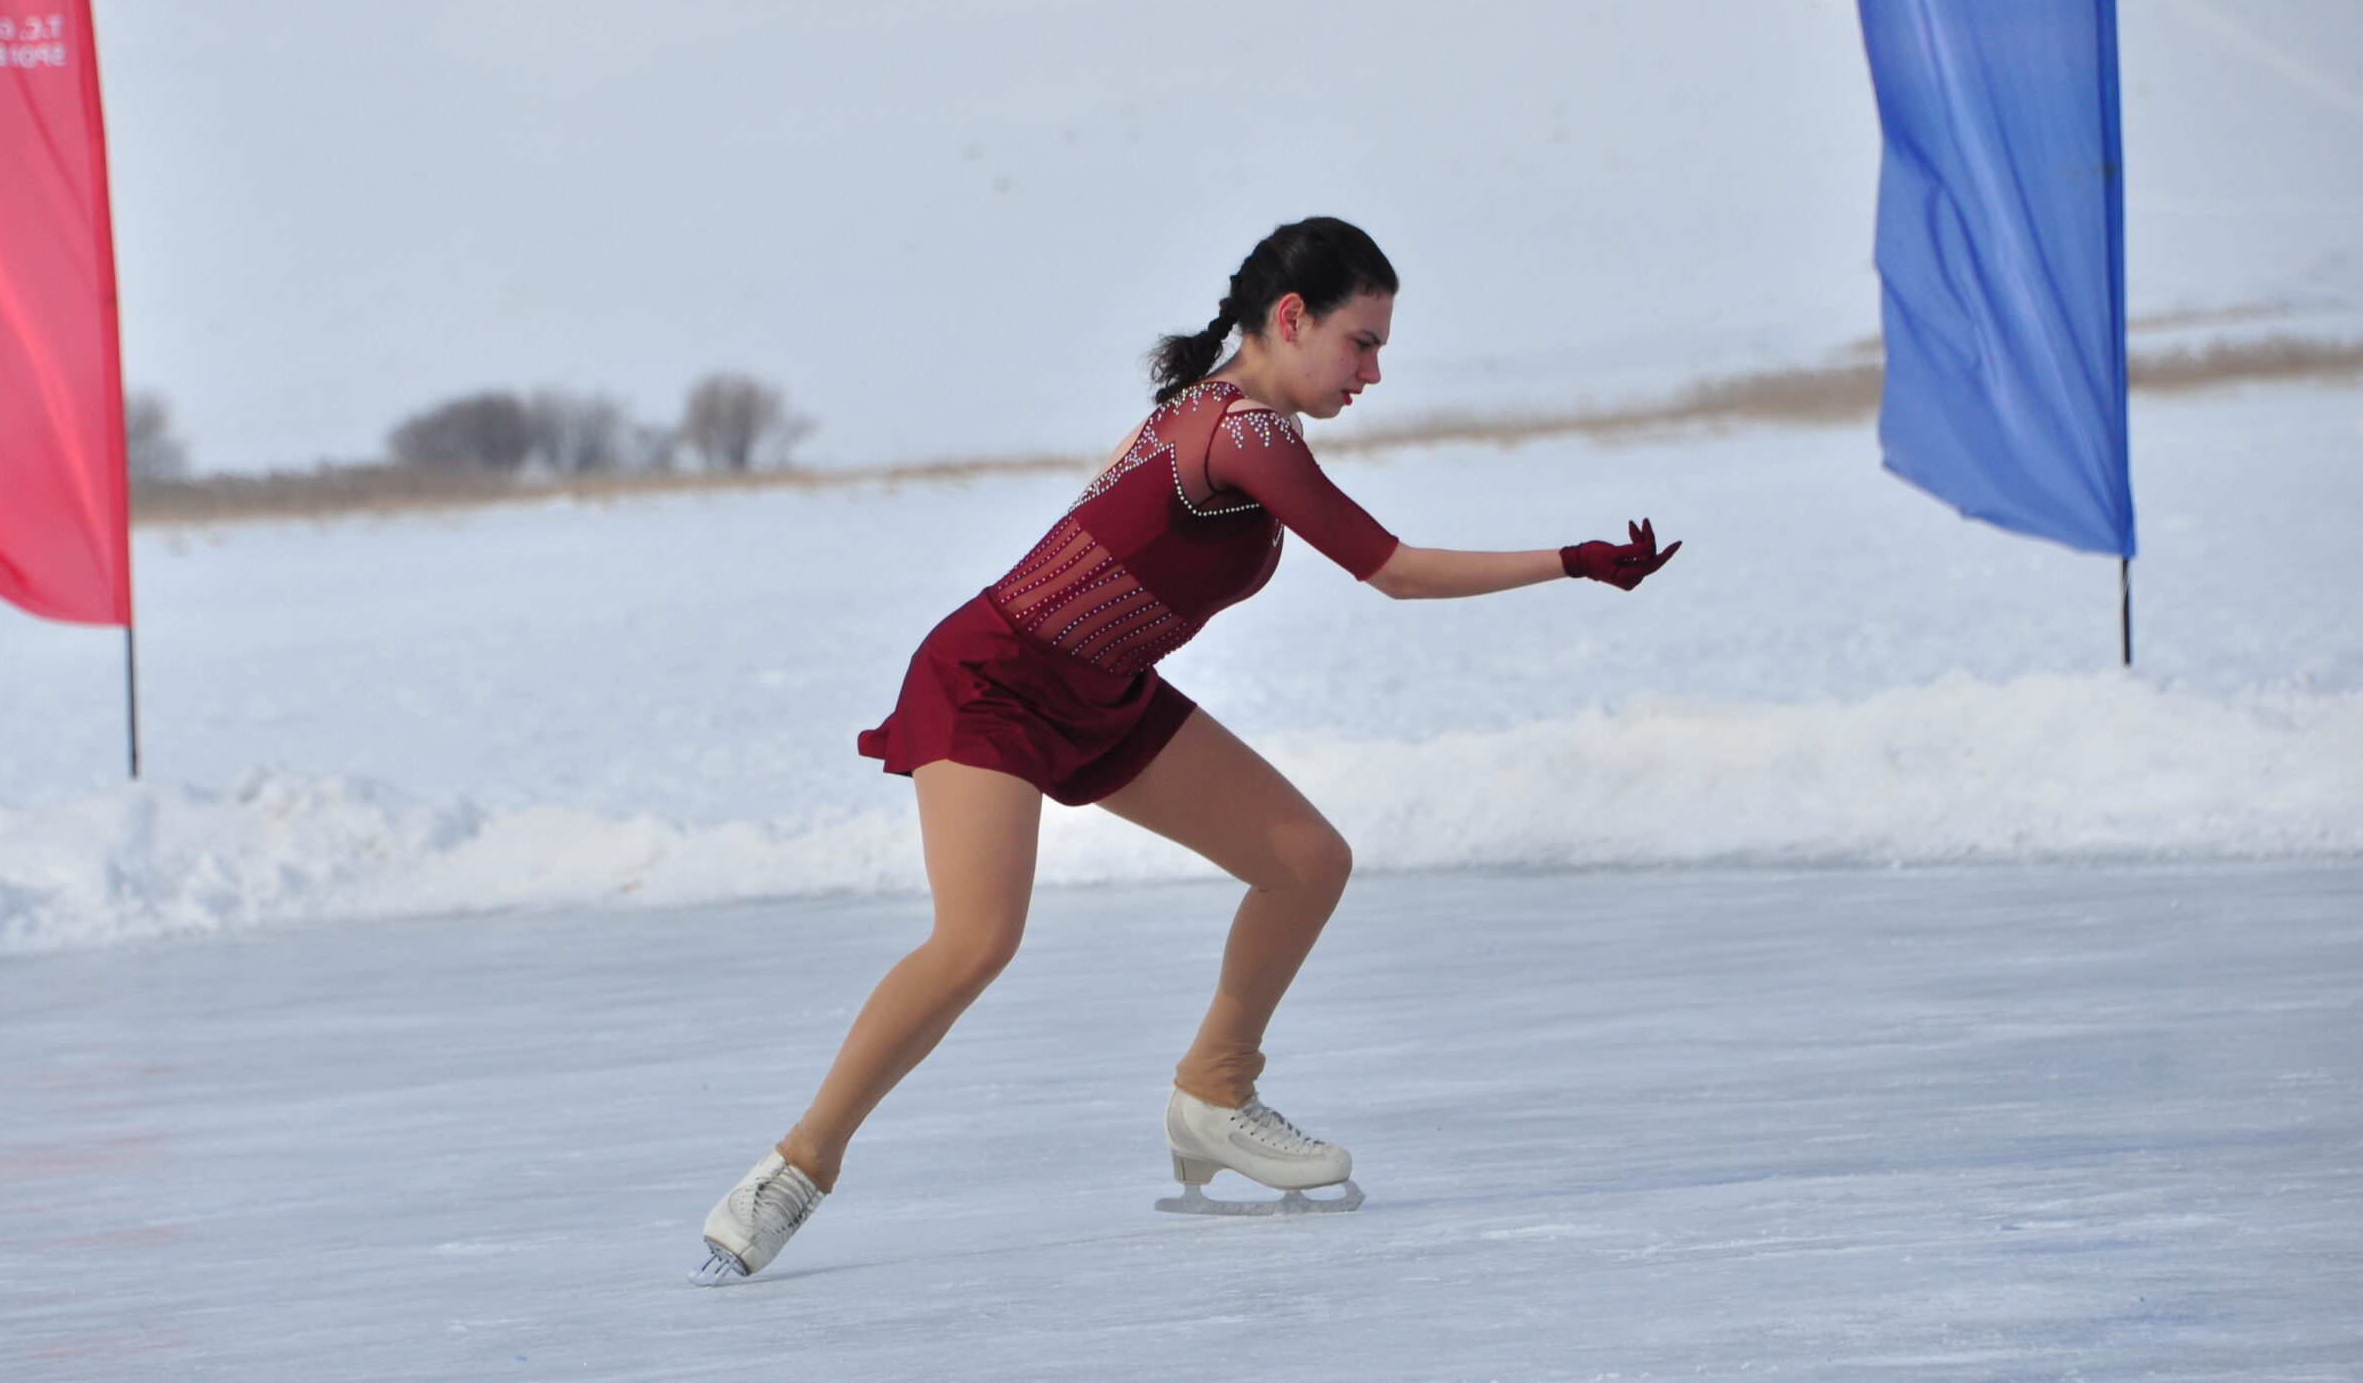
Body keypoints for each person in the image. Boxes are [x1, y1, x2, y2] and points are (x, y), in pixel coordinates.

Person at [692, 216, 1678, 1284]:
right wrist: (1570, 561)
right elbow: (1388, 568)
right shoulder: (1244, 429)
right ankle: (796, 1166)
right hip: (993, 679)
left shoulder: (1200, 408)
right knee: (978, 936)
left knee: (1307, 859)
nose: (1375, 370)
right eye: (1361, 341)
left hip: (1101, 689)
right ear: (1291, 318)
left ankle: (1215, 1088)